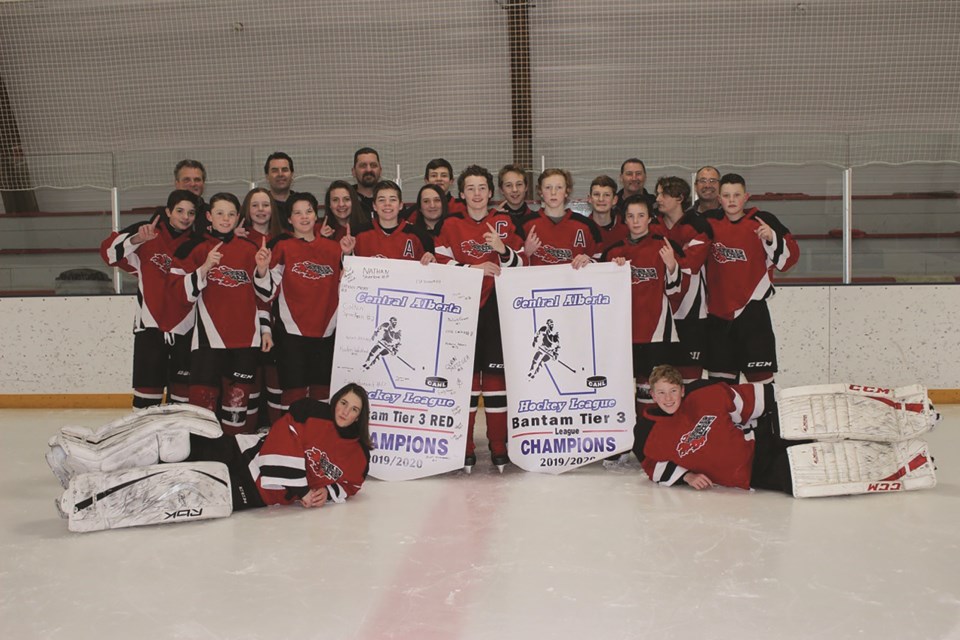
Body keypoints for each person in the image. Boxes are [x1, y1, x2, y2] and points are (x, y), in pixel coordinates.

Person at [48, 384, 373, 532]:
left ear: (361, 417)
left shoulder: (358, 455)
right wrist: (302, 489)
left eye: (354, 409)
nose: (345, 411)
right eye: (343, 403)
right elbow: (282, 432)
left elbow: (349, 485)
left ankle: (88, 498)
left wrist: (323, 493)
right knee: (175, 444)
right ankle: (92, 455)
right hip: (239, 453)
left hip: (252, 491)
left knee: (176, 484)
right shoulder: (313, 414)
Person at [633, 365, 937, 497]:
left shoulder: (706, 396)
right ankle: (894, 461)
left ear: (682, 390)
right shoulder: (656, 438)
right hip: (753, 472)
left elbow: (758, 399)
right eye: (661, 393)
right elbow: (653, 467)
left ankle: (895, 417)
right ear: (653, 395)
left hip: (759, 440)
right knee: (807, 473)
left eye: (673, 391)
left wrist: (783, 412)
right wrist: (685, 475)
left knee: (810, 424)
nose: (668, 398)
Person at [434, 165, 524, 472]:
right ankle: (466, 445)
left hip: (497, 311)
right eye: (470, 188)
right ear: (461, 193)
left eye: (482, 187)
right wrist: (471, 269)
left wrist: (503, 249)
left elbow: (523, 264)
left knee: (497, 381)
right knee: (467, 381)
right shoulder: (450, 225)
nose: (476, 193)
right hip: (463, 310)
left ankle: (499, 445)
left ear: (490, 192)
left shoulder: (504, 222)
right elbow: (439, 263)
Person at [171, 193, 273, 433]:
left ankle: (232, 455)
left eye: (231, 214)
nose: (225, 219)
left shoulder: (251, 249)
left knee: (235, 409)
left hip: (245, 342)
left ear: (238, 218)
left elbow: (265, 296)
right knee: (202, 408)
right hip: (208, 342)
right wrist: (205, 267)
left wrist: (261, 270)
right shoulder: (194, 248)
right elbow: (181, 296)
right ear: (209, 216)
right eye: (219, 213)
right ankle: (202, 454)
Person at [100, 189, 201, 408]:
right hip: (150, 329)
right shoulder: (148, 235)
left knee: (182, 399)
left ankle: (178, 441)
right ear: (168, 211)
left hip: (186, 331)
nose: (185, 217)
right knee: (147, 397)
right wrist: (137, 239)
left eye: (191, 213)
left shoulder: (199, 244)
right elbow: (108, 254)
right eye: (180, 211)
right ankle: (143, 441)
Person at [702, 173, 799, 384]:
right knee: (720, 387)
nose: (731, 200)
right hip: (718, 315)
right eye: (726, 195)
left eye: (736, 195)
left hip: (752, 315)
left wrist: (772, 238)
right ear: (719, 198)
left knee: (762, 385)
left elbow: (788, 262)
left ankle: (767, 419)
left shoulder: (763, 221)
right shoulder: (708, 223)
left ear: (746, 197)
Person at [268, 192, 351, 408]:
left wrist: (348, 256)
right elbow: (266, 291)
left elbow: (350, 287)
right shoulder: (283, 247)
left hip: (326, 332)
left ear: (316, 215)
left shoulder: (334, 249)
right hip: (291, 332)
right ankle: (292, 438)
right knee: (294, 393)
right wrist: (260, 270)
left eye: (308, 211)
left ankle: (317, 438)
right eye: (297, 213)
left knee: (321, 393)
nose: (304, 217)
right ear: (289, 219)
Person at [602, 195, 684, 407]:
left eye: (641, 215)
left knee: (653, 392)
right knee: (619, 392)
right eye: (631, 216)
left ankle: (652, 437)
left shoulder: (663, 247)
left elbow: (675, 290)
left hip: (656, 333)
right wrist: (613, 271)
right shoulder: (614, 252)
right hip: (624, 333)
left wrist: (672, 265)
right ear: (624, 220)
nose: (636, 221)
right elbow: (602, 297)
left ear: (649, 218)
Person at [652, 176, 713, 383]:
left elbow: (690, 266)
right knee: (661, 380)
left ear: (680, 197)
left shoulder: (698, 225)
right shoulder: (652, 227)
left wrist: (671, 260)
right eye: (658, 193)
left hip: (691, 314)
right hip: (659, 315)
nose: (658, 198)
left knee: (690, 379)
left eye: (664, 194)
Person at [239, 188, 284, 430]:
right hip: (248, 320)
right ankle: (248, 433)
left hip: (280, 320)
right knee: (252, 379)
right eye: (254, 205)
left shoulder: (285, 238)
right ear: (247, 209)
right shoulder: (239, 239)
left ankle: (275, 432)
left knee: (276, 378)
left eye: (265, 205)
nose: (260, 210)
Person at [519, 168, 602, 268]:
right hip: (538, 283)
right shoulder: (525, 224)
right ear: (540, 192)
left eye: (559, 187)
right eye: (548, 187)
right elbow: (509, 265)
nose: (553, 192)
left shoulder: (586, 225)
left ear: (567, 191)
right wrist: (525, 253)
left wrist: (589, 262)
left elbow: (602, 260)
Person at [344, 180, 434, 264]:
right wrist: (347, 254)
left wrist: (432, 262)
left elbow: (430, 275)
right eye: (381, 200)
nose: (387, 204)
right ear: (374, 206)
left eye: (393, 199)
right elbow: (346, 273)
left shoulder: (420, 236)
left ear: (400, 205)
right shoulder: (357, 235)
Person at [587, 174, 627, 253]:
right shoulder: (582, 229)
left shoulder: (627, 228)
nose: (601, 199)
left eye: (607, 195)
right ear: (589, 198)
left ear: (614, 200)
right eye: (596, 194)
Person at [351, 147, 382, 217]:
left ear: (380, 171)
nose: (368, 170)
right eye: (363, 166)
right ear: (353, 171)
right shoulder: (346, 200)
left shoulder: (391, 200)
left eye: (373, 165)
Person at [264, 152, 296, 217]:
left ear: (292, 175)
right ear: (267, 176)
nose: (280, 174)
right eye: (275, 170)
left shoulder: (301, 204)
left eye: (284, 170)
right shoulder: (260, 206)